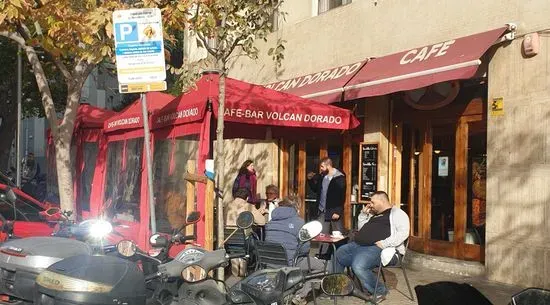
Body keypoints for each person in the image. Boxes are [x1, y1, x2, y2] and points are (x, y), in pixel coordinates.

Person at [334, 191, 410, 302]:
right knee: (339, 253)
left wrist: (385, 243)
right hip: (358, 246)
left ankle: (379, 291)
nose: (370, 205)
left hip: (379, 248)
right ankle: (337, 287)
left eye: (373, 202)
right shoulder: (374, 215)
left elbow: (403, 233)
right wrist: (364, 215)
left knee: (359, 265)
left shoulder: (397, 213)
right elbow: (362, 229)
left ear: (382, 201)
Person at [265, 195, 325, 305]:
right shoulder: (299, 222)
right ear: (296, 207)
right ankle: (300, 295)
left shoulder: (270, 222)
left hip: (270, 262)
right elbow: (305, 249)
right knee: (322, 266)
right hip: (290, 262)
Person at [315, 157, 345, 255]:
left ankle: (340, 255)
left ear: (328, 165)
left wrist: (338, 211)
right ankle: (322, 255)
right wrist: (310, 180)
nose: (321, 169)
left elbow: (342, 196)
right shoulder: (322, 176)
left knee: (337, 235)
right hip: (322, 210)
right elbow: (317, 190)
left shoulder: (339, 177)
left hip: (333, 210)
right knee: (322, 235)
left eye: (322, 166)